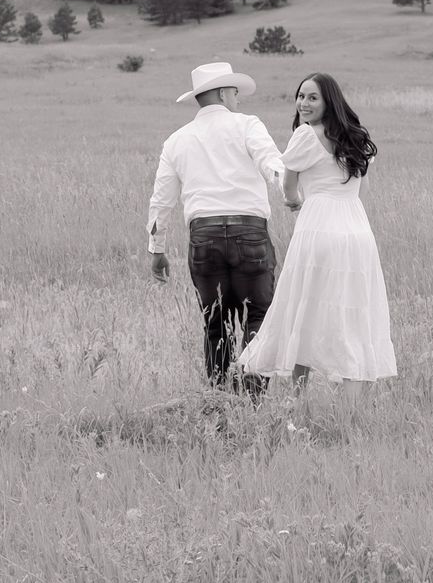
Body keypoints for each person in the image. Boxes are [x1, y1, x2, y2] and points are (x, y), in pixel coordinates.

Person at [238, 71, 395, 390]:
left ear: (328, 102)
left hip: (320, 227)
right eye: (301, 96)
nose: (303, 103)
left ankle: (295, 401)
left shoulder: (306, 135)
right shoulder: (356, 138)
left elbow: (289, 182)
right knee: (353, 316)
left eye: (312, 97)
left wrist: (294, 201)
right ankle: (351, 409)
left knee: (304, 312)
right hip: (356, 230)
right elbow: (352, 186)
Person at [145, 61, 286, 393]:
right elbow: (272, 163)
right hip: (249, 232)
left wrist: (157, 250)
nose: (238, 100)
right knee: (259, 319)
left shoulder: (176, 140)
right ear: (224, 93)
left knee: (215, 326)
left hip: (204, 237)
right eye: (235, 93)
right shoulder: (248, 125)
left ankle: (220, 401)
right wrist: (292, 193)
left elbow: (161, 200)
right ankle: (251, 401)